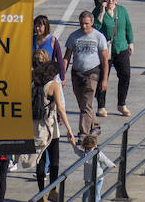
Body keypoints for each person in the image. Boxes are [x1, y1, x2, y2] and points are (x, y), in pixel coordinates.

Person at [29, 49, 78, 197]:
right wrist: (69, 130)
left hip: (36, 126)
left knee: (40, 161)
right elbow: (61, 109)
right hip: (51, 126)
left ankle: (40, 194)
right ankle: (53, 190)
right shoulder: (53, 85)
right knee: (54, 161)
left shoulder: (32, 82)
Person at [64, 11, 110, 138]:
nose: (84, 26)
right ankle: (95, 126)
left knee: (86, 102)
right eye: (81, 24)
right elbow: (67, 57)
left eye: (86, 24)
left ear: (92, 23)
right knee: (84, 105)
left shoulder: (99, 37)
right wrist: (62, 75)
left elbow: (105, 60)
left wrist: (104, 79)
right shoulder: (73, 36)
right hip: (77, 73)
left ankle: (83, 133)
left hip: (92, 73)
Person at [94, 0, 135, 118]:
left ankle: (121, 104)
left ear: (116, 0)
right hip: (104, 49)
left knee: (125, 75)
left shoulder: (122, 10)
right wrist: (101, 13)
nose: (110, 1)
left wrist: (130, 42)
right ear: (102, 0)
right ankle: (101, 106)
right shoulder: (97, 11)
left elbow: (128, 26)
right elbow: (95, 29)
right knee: (102, 77)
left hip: (120, 47)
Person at [80, 135, 115, 199]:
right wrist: (112, 165)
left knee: (91, 192)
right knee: (92, 193)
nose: (88, 150)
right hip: (93, 177)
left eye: (89, 148)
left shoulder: (91, 154)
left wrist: (111, 164)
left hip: (93, 177)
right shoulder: (91, 154)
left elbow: (105, 160)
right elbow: (105, 160)